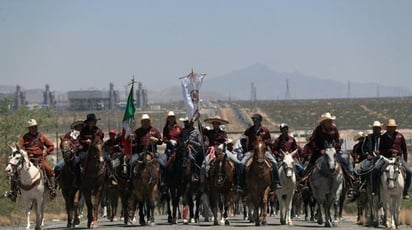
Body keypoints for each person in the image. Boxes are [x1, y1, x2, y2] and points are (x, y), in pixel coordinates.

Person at [299, 112, 360, 197]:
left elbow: (338, 140)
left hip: (333, 151)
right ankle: (304, 181)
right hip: (320, 151)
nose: (330, 122)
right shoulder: (318, 130)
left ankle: (350, 180)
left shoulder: (334, 128)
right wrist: (319, 150)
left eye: (330, 120)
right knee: (311, 163)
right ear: (324, 122)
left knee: (343, 161)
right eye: (328, 120)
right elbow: (313, 141)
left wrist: (336, 148)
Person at [6, 119, 56, 202]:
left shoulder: (41, 136)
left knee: (49, 170)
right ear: (29, 128)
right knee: (15, 172)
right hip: (27, 159)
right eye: (32, 127)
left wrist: (45, 153)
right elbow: (19, 147)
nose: (34, 129)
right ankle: (13, 192)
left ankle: (52, 189)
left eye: (35, 127)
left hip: (39, 159)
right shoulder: (24, 137)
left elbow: (51, 146)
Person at [239, 113, 282, 191]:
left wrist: (263, 143)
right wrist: (245, 148)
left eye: (256, 120)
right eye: (253, 120)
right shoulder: (249, 130)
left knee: (274, 163)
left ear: (260, 120)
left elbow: (269, 140)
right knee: (242, 163)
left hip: (263, 151)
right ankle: (241, 183)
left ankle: (276, 182)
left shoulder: (265, 130)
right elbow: (243, 138)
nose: (254, 121)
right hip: (251, 151)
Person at [372, 119, 411, 199]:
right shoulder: (383, 137)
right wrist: (390, 150)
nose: (392, 128)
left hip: (398, 158)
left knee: (409, 171)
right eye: (390, 127)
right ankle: (375, 189)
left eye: (393, 127)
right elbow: (381, 150)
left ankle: (405, 191)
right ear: (387, 128)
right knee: (376, 169)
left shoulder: (400, 136)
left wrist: (405, 161)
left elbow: (404, 150)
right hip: (386, 157)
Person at [73, 113, 105, 188]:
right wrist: (85, 141)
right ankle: (77, 179)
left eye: (93, 121)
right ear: (87, 122)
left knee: (107, 159)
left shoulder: (99, 131)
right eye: (90, 121)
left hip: (97, 150)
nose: (92, 123)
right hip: (85, 150)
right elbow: (80, 140)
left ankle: (110, 177)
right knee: (77, 161)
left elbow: (100, 140)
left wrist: (94, 142)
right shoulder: (83, 130)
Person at [129, 114, 162, 180]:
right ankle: (129, 179)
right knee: (131, 162)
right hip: (140, 152)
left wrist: (156, 140)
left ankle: (162, 180)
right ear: (141, 122)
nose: (145, 123)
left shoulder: (154, 130)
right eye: (144, 121)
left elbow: (161, 141)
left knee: (162, 163)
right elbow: (134, 141)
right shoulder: (137, 131)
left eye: (147, 121)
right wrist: (131, 138)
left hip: (152, 152)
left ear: (149, 122)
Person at [200, 116, 229, 180]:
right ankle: (202, 182)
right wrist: (198, 121)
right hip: (211, 151)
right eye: (214, 124)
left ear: (219, 125)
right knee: (203, 166)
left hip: (221, 151)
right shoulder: (210, 132)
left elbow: (226, 141)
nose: (215, 125)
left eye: (216, 124)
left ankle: (234, 180)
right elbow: (202, 130)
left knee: (232, 163)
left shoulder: (223, 133)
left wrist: (222, 144)